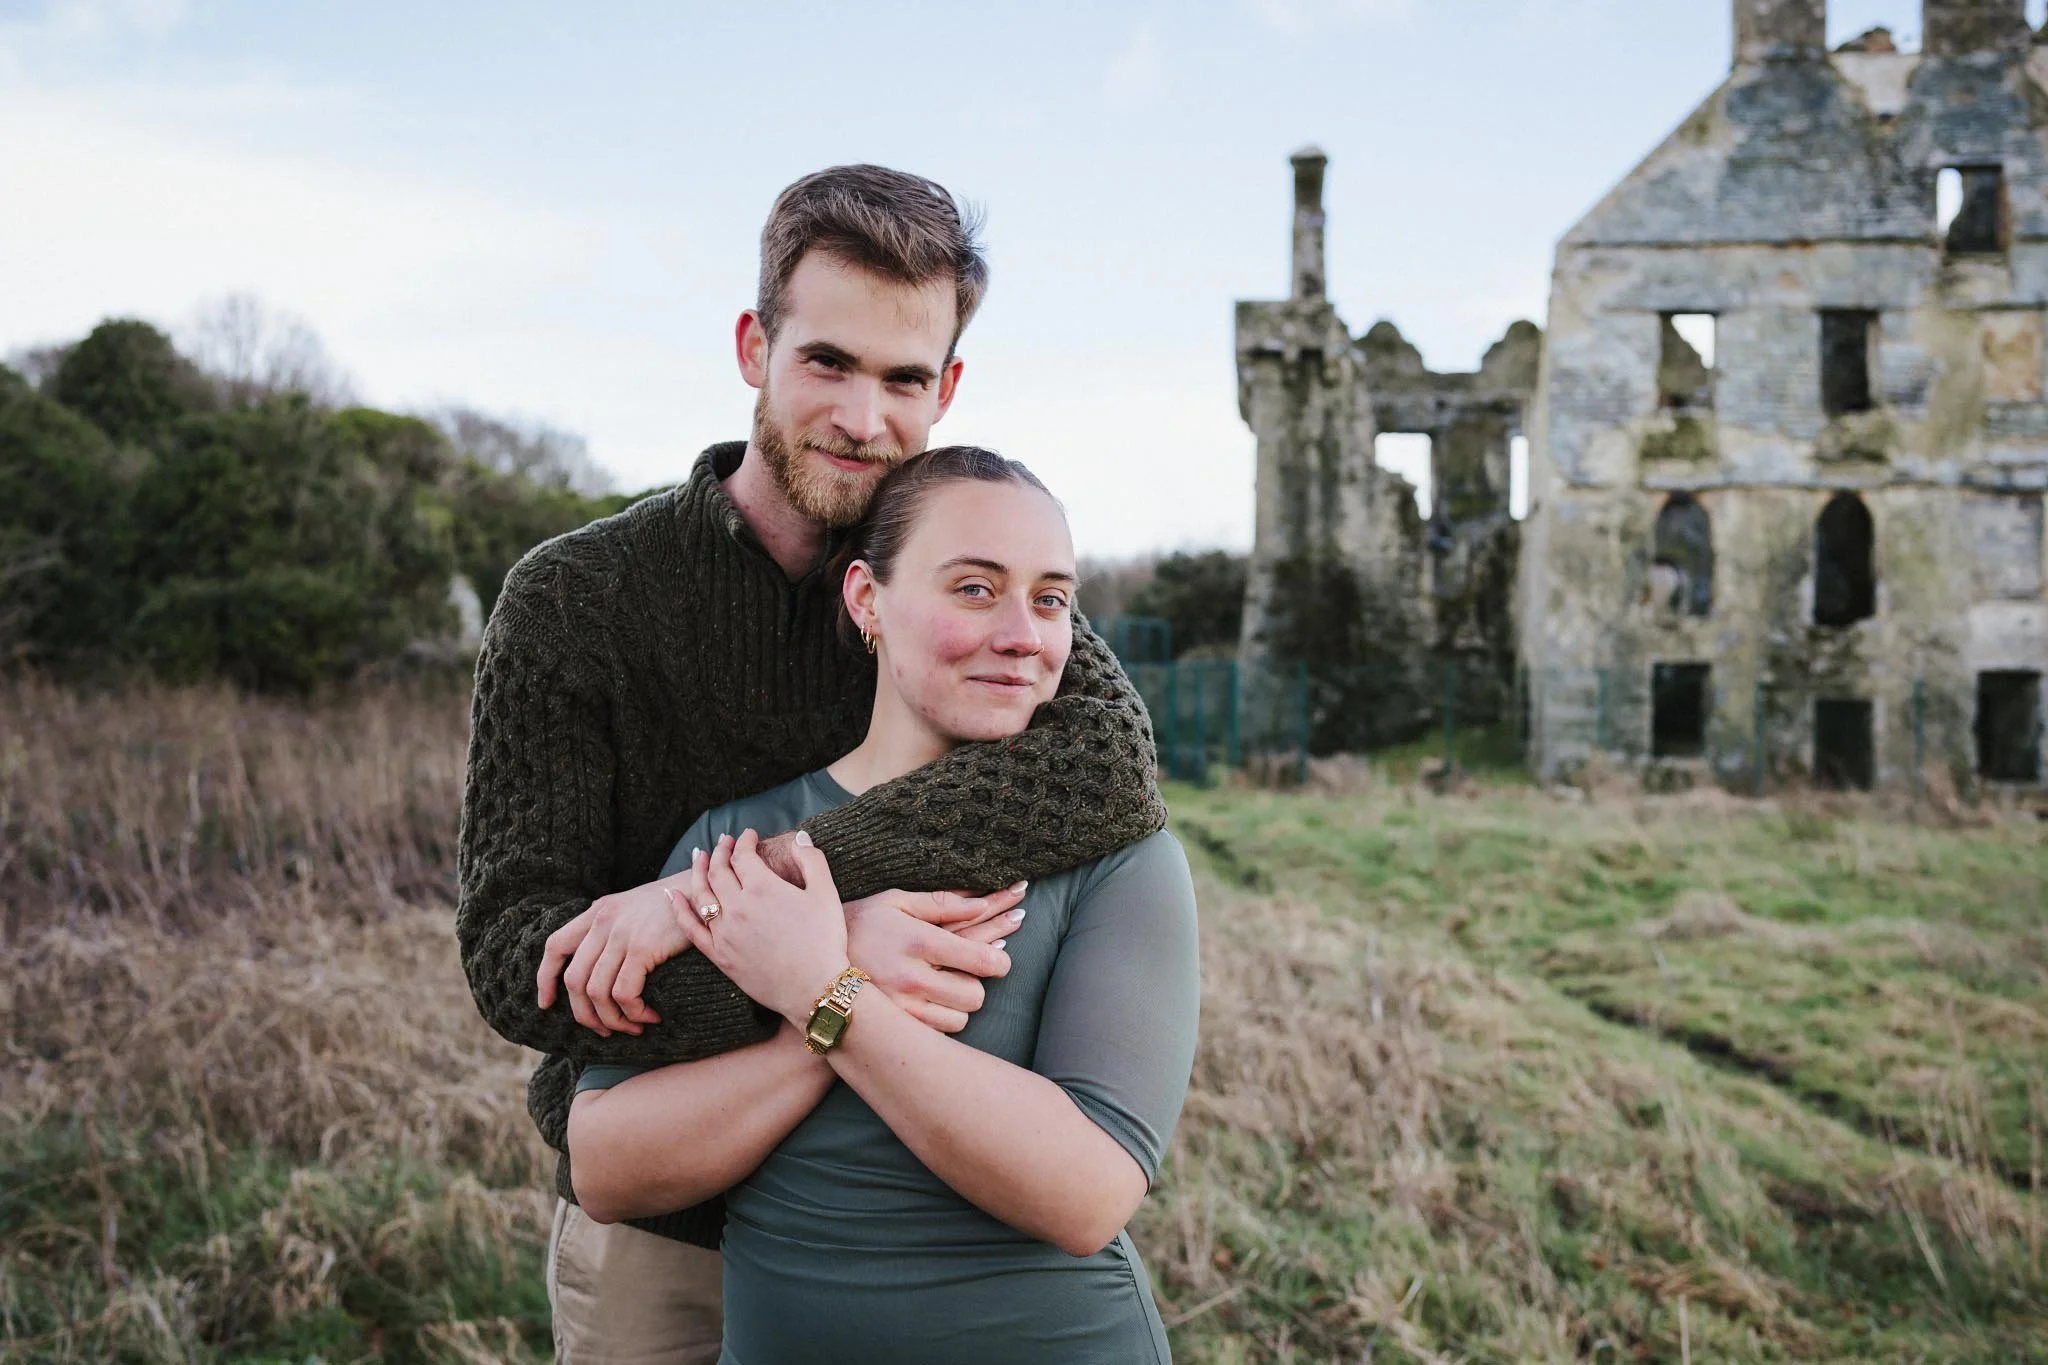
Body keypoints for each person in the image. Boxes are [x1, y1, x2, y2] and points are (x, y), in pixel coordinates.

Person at [455, 164, 1166, 1364]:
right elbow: (520, 956)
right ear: (753, 348)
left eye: (902, 380)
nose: (861, 417)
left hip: (908, 1204)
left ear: (946, 387)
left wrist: (736, 896)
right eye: (826, 363)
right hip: (665, 1217)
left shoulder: (953, 583)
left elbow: (1101, 770)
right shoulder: (576, 600)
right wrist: (816, 972)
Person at [569, 447, 1200, 1365]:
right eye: (976, 589)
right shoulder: (739, 844)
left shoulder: (1121, 858)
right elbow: (605, 1167)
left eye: (1052, 598)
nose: (1025, 634)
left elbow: (1087, 1193)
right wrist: (807, 1022)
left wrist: (833, 992)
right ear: (867, 600)